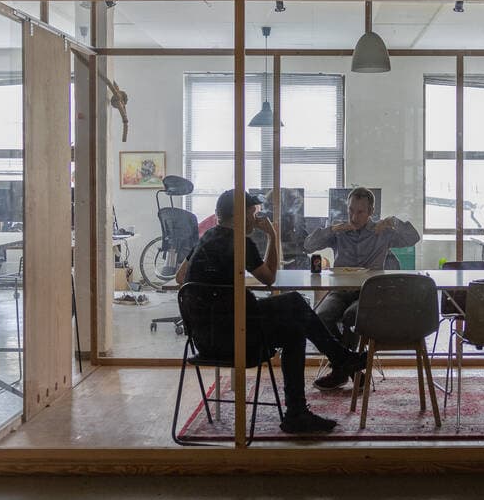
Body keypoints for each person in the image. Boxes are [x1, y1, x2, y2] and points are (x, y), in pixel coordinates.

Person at [177, 189, 365, 435]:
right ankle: (337, 363)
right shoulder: (239, 242)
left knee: (294, 328)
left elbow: (181, 277)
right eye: (252, 212)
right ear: (239, 215)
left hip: (206, 339)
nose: (255, 218)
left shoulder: (207, 237)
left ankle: (300, 410)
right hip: (236, 337)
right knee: (296, 302)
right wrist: (272, 234)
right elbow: (268, 277)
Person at [303, 186, 421, 349]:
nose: (353, 217)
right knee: (319, 318)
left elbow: (413, 238)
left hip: (370, 293)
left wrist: (393, 221)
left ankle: (343, 366)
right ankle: (346, 360)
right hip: (340, 291)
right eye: (351, 210)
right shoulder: (339, 231)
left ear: (371, 211)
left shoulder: (382, 231)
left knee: (351, 317)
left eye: (360, 212)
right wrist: (332, 229)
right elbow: (308, 246)